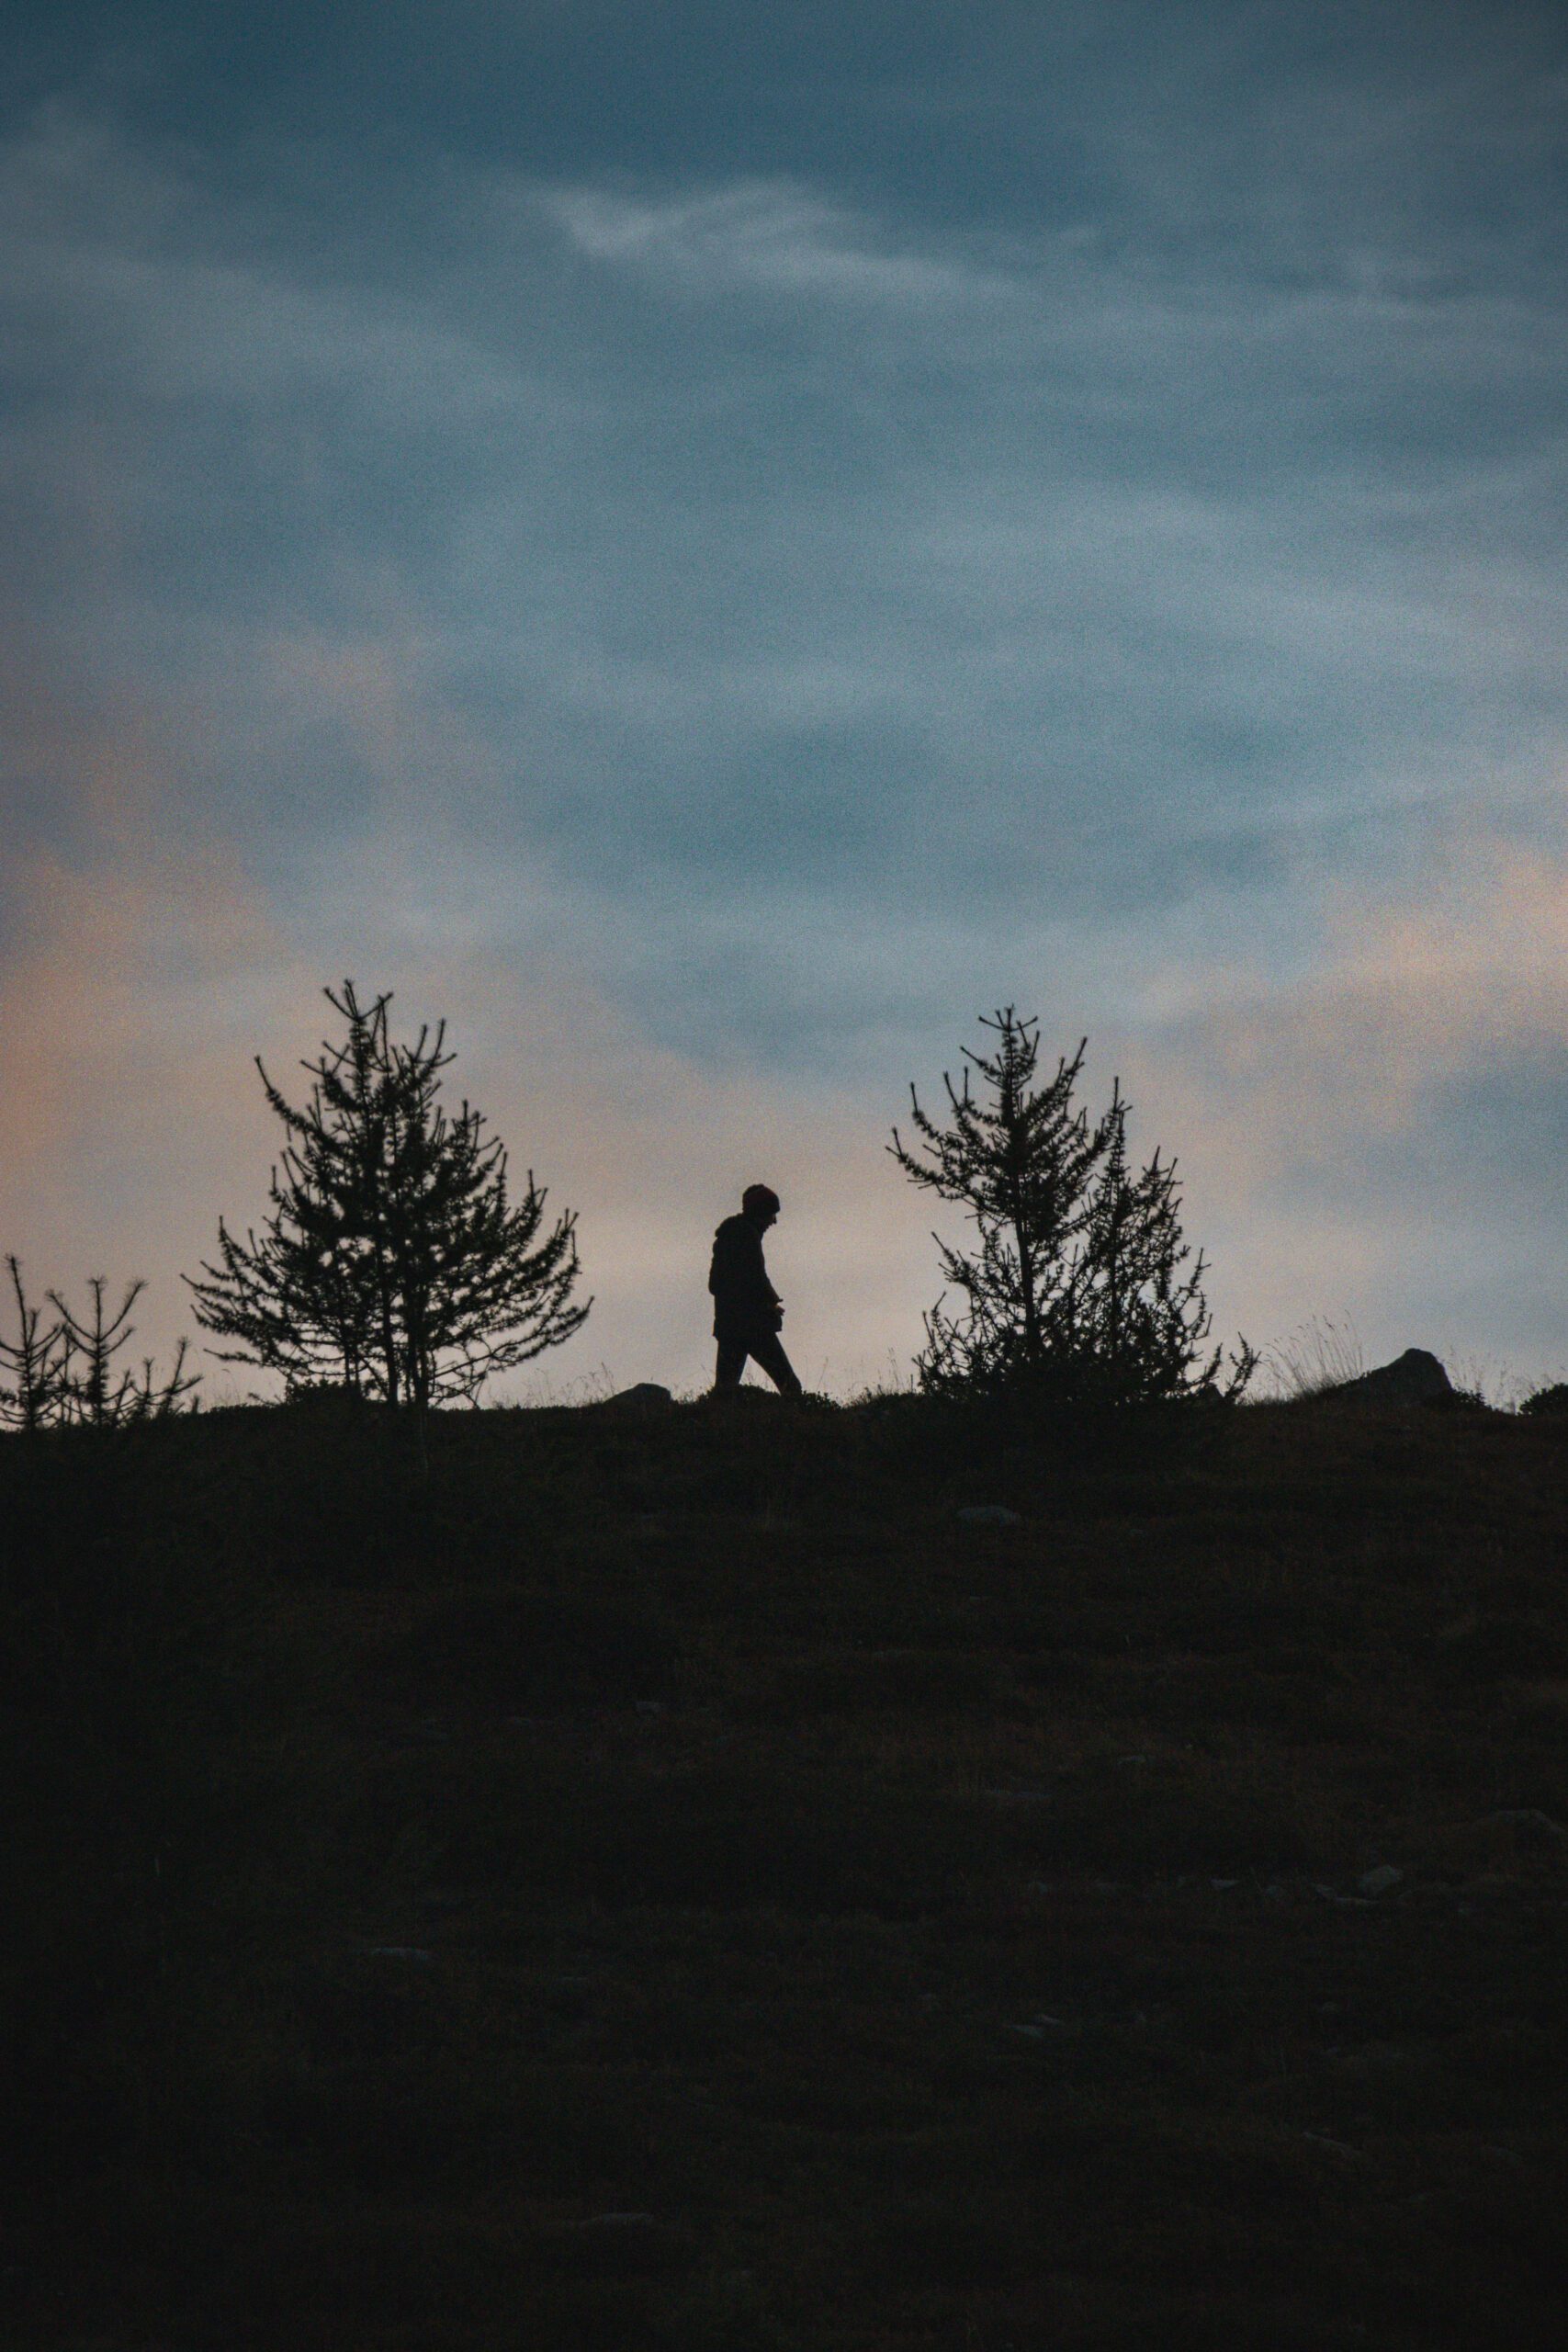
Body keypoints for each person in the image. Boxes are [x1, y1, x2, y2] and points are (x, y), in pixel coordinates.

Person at [709, 1183, 803, 1396]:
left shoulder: (729, 1237)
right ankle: (797, 1424)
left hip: (728, 1326)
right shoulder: (746, 1236)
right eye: (771, 1213)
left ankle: (715, 1425)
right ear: (760, 1212)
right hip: (754, 1327)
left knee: (725, 1391)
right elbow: (754, 1278)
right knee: (790, 1386)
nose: (774, 1221)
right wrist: (768, 1302)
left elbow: (715, 1284)